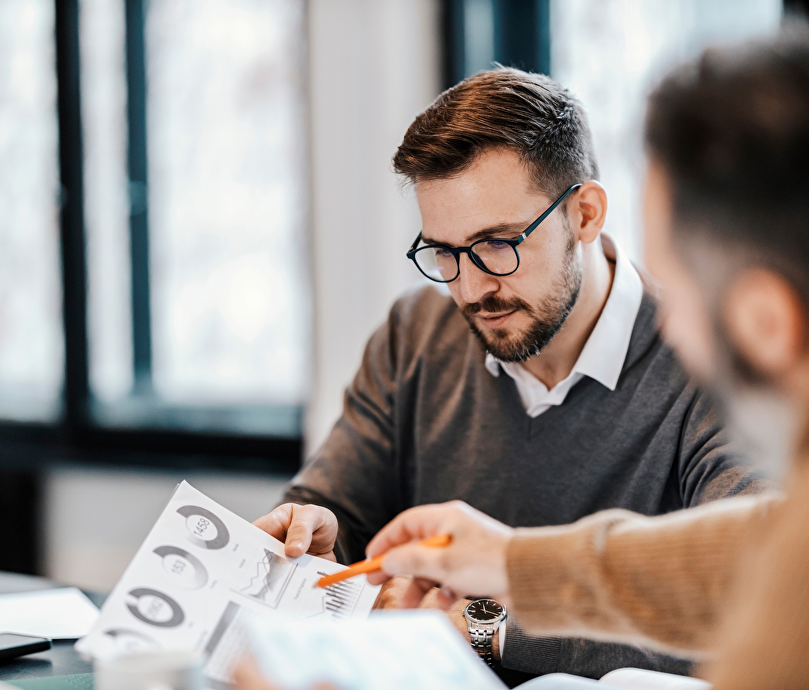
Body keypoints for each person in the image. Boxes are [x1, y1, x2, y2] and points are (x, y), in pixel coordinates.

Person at [363, 26, 809, 689]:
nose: (667, 329)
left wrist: (494, 612)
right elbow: (760, 548)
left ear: (768, 320)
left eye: (677, 297)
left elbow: (777, 593)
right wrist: (513, 563)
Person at [252, 68, 766, 679]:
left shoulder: (708, 361)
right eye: (443, 251)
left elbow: (755, 602)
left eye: (498, 244)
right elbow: (332, 513)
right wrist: (314, 537)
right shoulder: (416, 333)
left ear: (585, 214)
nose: (470, 289)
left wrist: (490, 629)